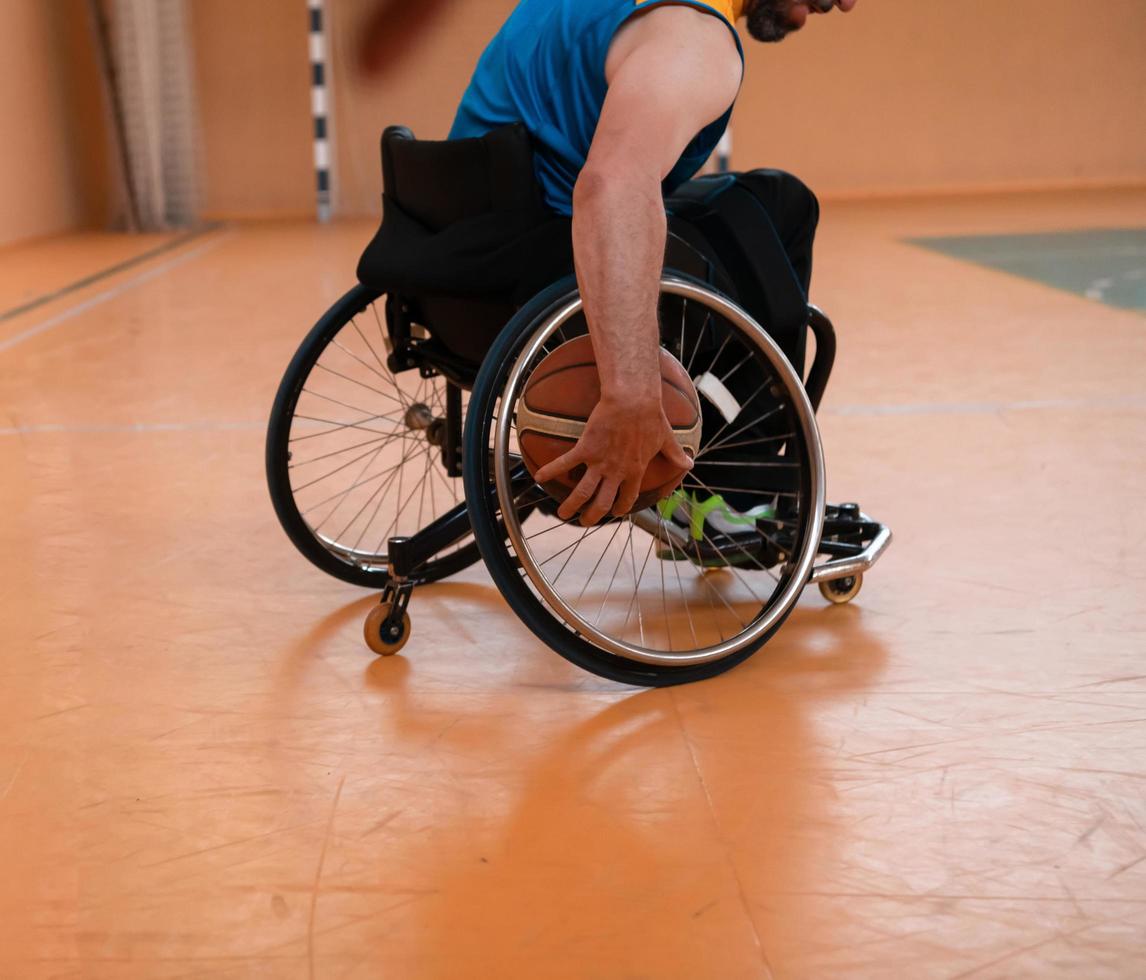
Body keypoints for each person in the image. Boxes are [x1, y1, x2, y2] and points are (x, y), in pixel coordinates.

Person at [444, 0, 857, 536]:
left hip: (466, 269)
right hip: (539, 282)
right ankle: (722, 493)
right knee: (757, 266)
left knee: (776, 202)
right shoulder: (693, 37)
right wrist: (630, 395)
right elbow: (611, 187)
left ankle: (733, 474)